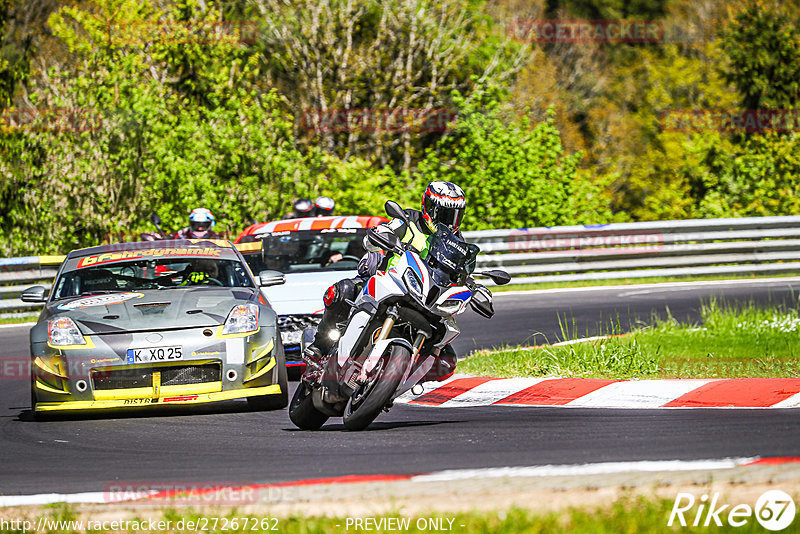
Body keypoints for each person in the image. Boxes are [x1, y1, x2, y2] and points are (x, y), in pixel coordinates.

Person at [302, 181, 467, 383]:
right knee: (343, 290)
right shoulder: (407, 220)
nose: (449, 221)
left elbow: (463, 273)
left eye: (454, 215)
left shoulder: (456, 242)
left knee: (446, 361)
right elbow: (380, 233)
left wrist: (474, 288)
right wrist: (380, 235)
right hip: (389, 280)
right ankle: (319, 347)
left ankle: (398, 380)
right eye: (443, 214)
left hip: (425, 297)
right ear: (429, 206)